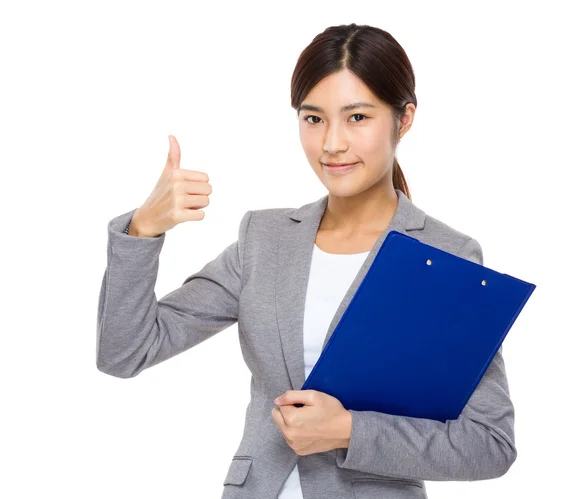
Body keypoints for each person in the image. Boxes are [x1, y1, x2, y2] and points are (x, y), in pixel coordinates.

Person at [97, 23, 517, 499]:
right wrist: (142, 232)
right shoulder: (265, 239)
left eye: (357, 117)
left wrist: (349, 431)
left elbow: (489, 444)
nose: (331, 143)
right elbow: (124, 352)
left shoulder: (445, 256)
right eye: (313, 118)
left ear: (404, 120)